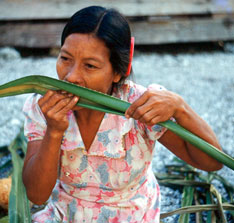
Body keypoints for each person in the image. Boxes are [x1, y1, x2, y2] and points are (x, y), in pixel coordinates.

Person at [22, 6, 223, 223]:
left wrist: (180, 107)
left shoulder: (138, 107)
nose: (71, 77)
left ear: (119, 71)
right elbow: (37, 195)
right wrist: (54, 131)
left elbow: (212, 162)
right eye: (65, 59)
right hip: (67, 214)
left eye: (90, 65)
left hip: (132, 216)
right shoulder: (44, 106)